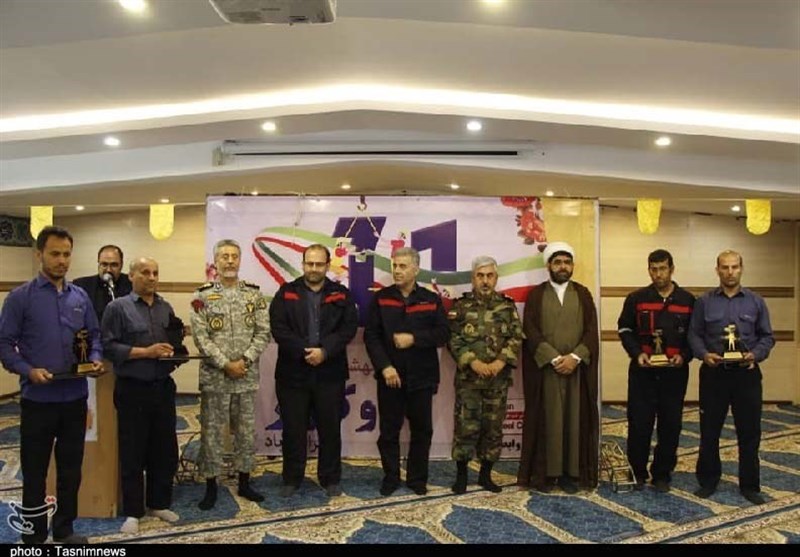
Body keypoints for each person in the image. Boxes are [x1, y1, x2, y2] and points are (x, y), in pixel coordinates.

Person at [0, 226, 104, 545]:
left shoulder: (80, 297)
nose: (62, 260)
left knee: (71, 470)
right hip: (38, 401)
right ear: (39, 255)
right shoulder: (20, 298)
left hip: (74, 398)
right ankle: (33, 535)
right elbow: (5, 345)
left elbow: (94, 336)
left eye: (66, 254)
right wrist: (28, 371)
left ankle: (64, 529)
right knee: (35, 471)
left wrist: (95, 359)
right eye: (55, 253)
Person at [101, 257, 183, 534]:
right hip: (132, 388)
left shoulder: (165, 307)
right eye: (145, 272)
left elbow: (172, 342)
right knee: (133, 451)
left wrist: (174, 352)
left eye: (155, 272)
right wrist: (146, 352)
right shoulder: (117, 307)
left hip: (162, 387)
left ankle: (159, 503)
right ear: (131, 276)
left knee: (164, 449)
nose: (151, 277)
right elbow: (108, 346)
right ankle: (133, 512)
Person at [269, 244, 358, 498]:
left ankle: (330, 478)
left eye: (319, 264)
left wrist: (325, 351)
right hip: (292, 373)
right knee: (293, 429)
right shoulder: (286, 292)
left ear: (328, 266)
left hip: (330, 373)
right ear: (303, 264)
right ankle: (291, 478)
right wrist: (304, 352)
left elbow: (348, 328)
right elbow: (278, 328)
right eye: (310, 263)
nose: (314, 268)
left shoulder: (341, 294)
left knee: (330, 429)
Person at [688, 250, 775, 505]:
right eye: (725, 267)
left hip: (746, 376)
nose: (730, 272)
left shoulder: (756, 301)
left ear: (741, 269)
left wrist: (755, 355)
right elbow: (694, 334)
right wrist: (704, 354)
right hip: (714, 374)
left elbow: (767, 336)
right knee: (709, 430)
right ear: (717, 270)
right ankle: (708, 481)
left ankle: (750, 485)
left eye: (734, 267)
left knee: (749, 432)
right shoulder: (704, 302)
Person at [190, 239, 271, 509]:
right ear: (215, 261)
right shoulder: (201, 296)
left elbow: (263, 332)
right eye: (224, 256)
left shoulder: (253, 295)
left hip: (245, 376)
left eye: (234, 256)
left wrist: (244, 361)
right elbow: (201, 337)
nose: (229, 261)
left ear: (240, 260)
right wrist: (226, 363)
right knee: (212, 433)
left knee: (245, 432)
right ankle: (211, 485)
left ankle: (245, 481)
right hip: (216, 378)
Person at [364, 247, 450, 496]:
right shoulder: (381, 298)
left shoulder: (430, 299)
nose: (397, 271)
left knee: (422, 431)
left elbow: (443, 334)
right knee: (389, 432)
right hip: (390, 377)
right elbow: (371, 336)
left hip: (422, 377)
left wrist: (414, 338)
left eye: (403, 266)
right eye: (395, 266)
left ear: (416, 270)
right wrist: (385, 367)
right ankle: (391, 477)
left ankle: (417, 479)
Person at [516, 241, 600, 494]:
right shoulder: (536, 295)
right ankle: (547, 474)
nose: (563, 267)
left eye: (567, 262)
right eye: (558, 262)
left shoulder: (583, 294)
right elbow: (530, 331)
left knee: (575, 421)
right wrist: (553, 358)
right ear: (549, 266)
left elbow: (591, 331)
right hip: (547, 372)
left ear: (572, 266)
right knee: (549, 421)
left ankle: (571, 474)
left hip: (576, 371)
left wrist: (575, 357)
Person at [617, 249, 695, 492]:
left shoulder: (688, 300)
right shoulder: (636, 298)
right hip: (642, 373)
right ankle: (637, 472)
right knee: (639, 423)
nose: (658, 274)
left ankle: (662, 474)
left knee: (670, 425)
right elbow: (624, 329)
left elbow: (695, 336)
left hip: (674, 374)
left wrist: (684, 356)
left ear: (672, 269)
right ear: (648, 270)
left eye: (663, 269)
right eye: (654, 269)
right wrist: (636, 353)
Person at [447, 255, 524, 494]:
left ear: (496, 278)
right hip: (469, 380)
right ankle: (461, 476)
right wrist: (473, 362)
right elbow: (453, 338)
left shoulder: (507, 306)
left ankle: (485, 476)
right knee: (465, 427)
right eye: (480, 276)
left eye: (489, 276)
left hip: (497, 380)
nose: (485, 280)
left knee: (493, 428)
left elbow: (516, 336)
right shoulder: (461, 306)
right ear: (473, 278)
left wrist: (501, 361)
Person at [73, 245, 133, 321]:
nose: (109, 270)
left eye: (114, 265)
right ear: (99, 264)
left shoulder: (132, 285)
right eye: (104, 264)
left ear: (121, 265)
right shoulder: (82, 285)